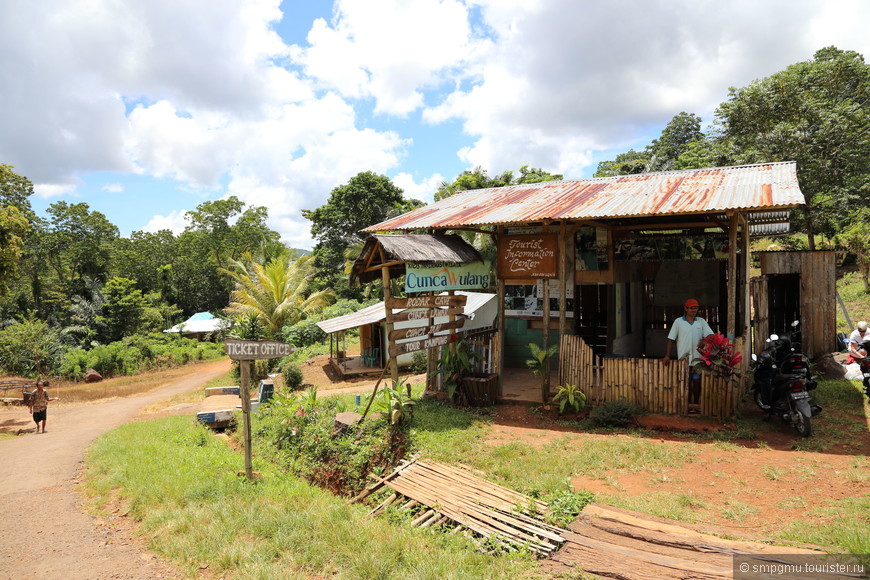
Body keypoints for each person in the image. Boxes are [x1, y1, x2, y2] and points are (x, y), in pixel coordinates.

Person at [663, 298, 714, 413]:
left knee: (697, 382)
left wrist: (705, 341)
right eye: (691, 308)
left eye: (695, 307)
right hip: (683, 359)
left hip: (697, 359)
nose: (693, 310)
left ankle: (695, 405)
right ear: (685, 308)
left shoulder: (701, 322)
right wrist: (667, 355)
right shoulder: (678, 322)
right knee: (686, 382)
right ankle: (686, 406)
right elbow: (671, 339)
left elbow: (711, 335)